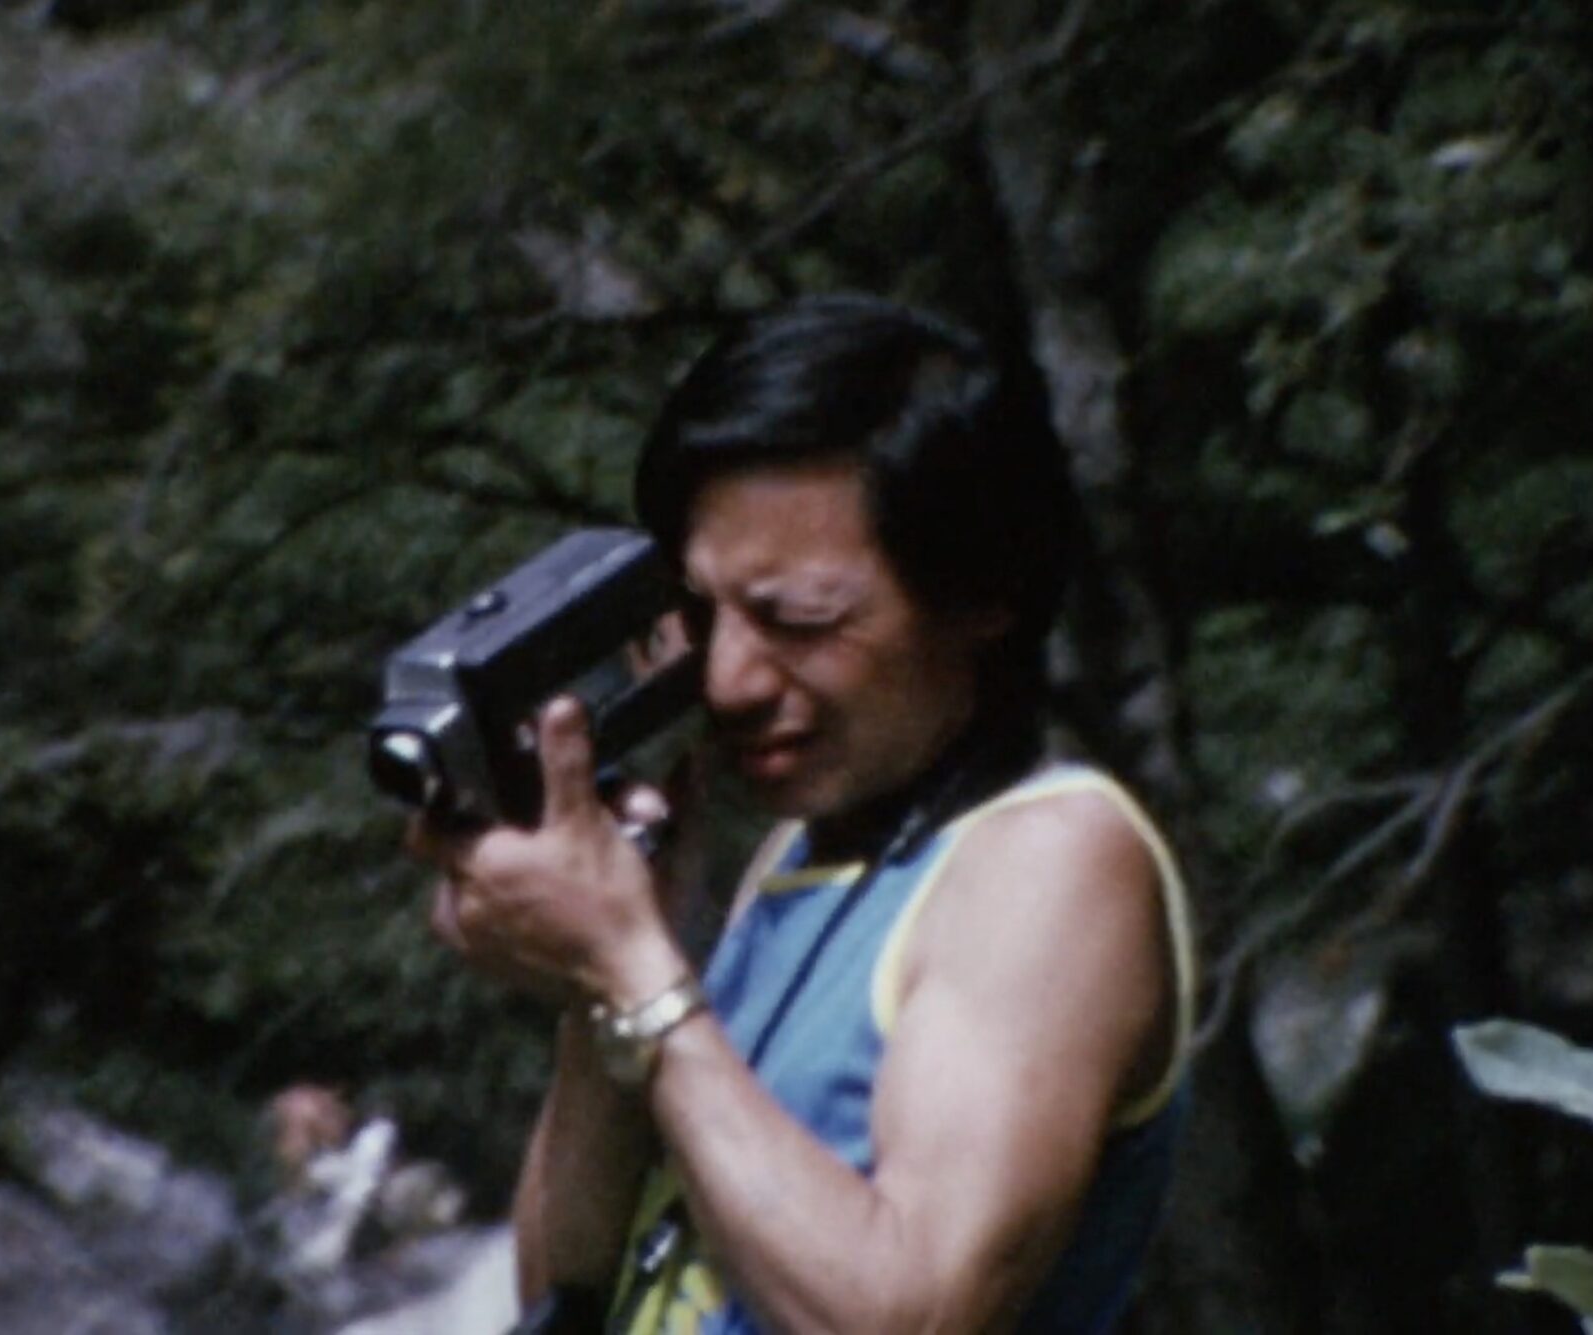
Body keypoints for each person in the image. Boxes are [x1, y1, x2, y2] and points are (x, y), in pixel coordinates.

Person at [410, 294, 1195, 1333]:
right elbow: (568, 1292)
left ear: (979, 595)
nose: (729, 679)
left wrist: (633, 969)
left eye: (798, 620)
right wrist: (591, 973)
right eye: (700, 617)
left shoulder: (1049, 859)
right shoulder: (797, 855)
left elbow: (905, 1315)